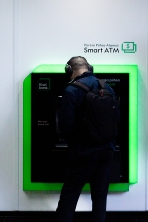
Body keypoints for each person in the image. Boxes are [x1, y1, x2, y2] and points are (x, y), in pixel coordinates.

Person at [55, 56, 119, 222]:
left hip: (83, 152)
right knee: (99, 198)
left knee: (69, 196)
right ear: (89, 67)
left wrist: (74, 142)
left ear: (69, 70)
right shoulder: (108, 89)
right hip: (107, 151)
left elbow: (65, 126)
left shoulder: (71, 91)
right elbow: (117, 119)